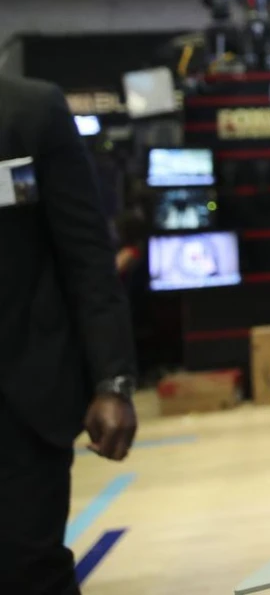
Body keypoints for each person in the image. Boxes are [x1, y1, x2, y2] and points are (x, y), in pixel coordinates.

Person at [0, 75, 138, 595]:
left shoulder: (28, 112)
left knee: (28, 570)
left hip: (19, 402)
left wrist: (113, 381)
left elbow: (87, 257)